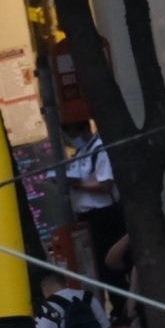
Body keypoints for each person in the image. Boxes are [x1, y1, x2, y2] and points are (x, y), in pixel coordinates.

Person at [63, 121, 127, 315]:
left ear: (83, 129)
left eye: (71, 132)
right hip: (86, 216)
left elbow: (106, 183)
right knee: (96, 265)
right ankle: (112, 308)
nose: (70, 138)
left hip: (103, 215)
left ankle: (122, 307)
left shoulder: (100, 151)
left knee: (109, 263)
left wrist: (77, 186)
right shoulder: (81, 154)